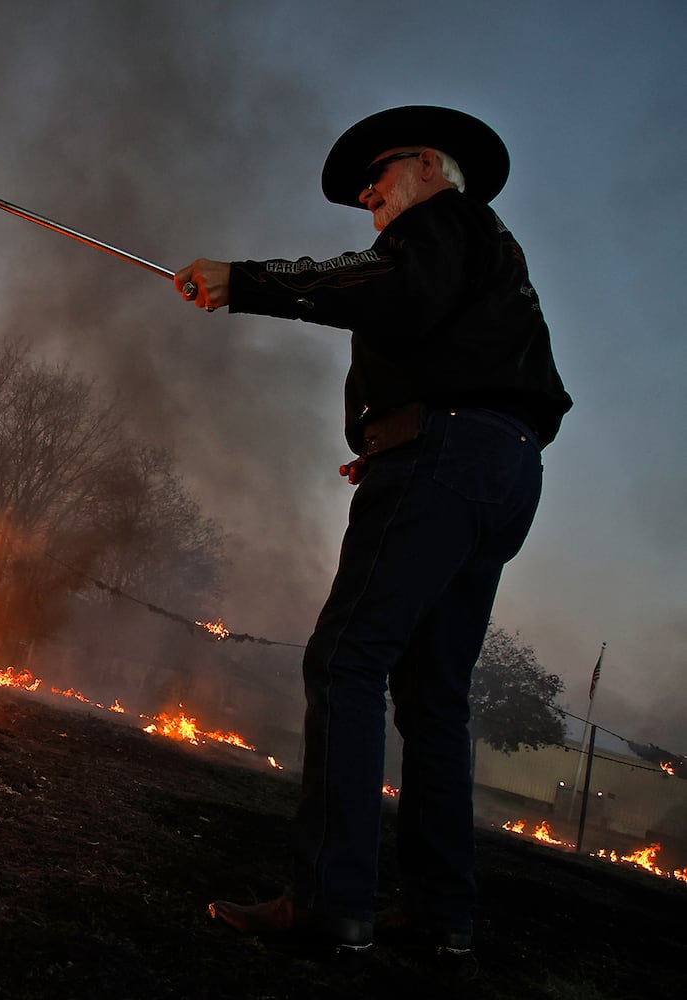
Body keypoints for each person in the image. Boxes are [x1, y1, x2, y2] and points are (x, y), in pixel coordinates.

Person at [173, 106, 572, 958]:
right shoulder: (489, 250)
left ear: (428, 166)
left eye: (377, 179)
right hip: (495, 464)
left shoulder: (443, 224)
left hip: (449, 456)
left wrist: (245, 280)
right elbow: (457, 353)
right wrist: (397, 436)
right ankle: (438, 916)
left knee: (348, 657)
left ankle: (329, 901)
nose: (368, 200)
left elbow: (381, 287)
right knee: (434, 694)